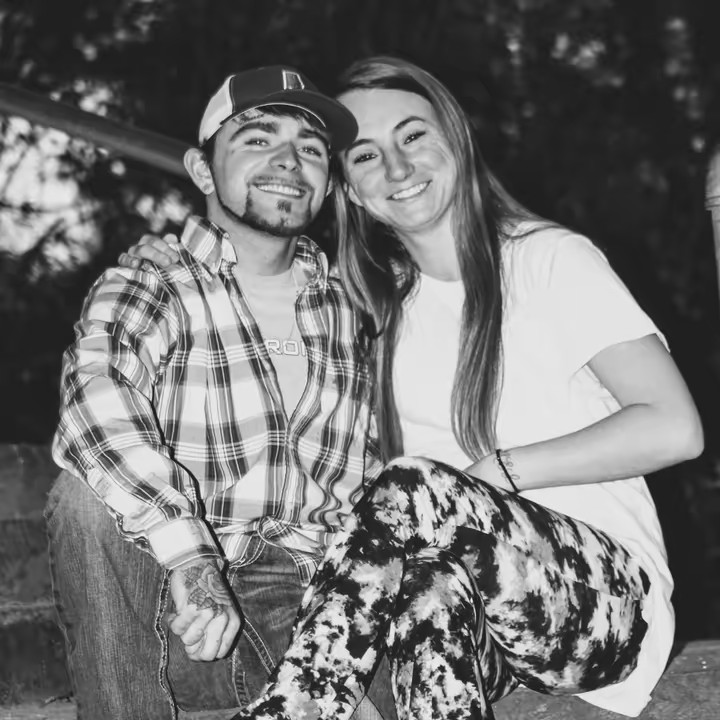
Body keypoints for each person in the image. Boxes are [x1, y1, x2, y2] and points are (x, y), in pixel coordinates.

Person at [123, 56, 703, 720]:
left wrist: (495, 475)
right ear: (348, 188)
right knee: (423, 586)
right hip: (471, 619)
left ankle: (303, 705)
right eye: (367, 155)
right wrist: (175, 261)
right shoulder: (372, 306)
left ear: (455, 140)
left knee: (413, 485)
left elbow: (675, 427)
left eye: (414, 136)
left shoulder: (547, 258)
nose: (398, 168)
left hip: (599, 605)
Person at [47, 65, 396, 720]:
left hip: (309, 605)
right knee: (84, 496)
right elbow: (97, 398)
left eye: (311, 149)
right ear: (203, 171)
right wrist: (190, 554)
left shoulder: (356, 306)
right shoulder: (154, 280)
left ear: (328, 182)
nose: (288, 161)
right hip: (176, 621)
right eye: (258, 139)